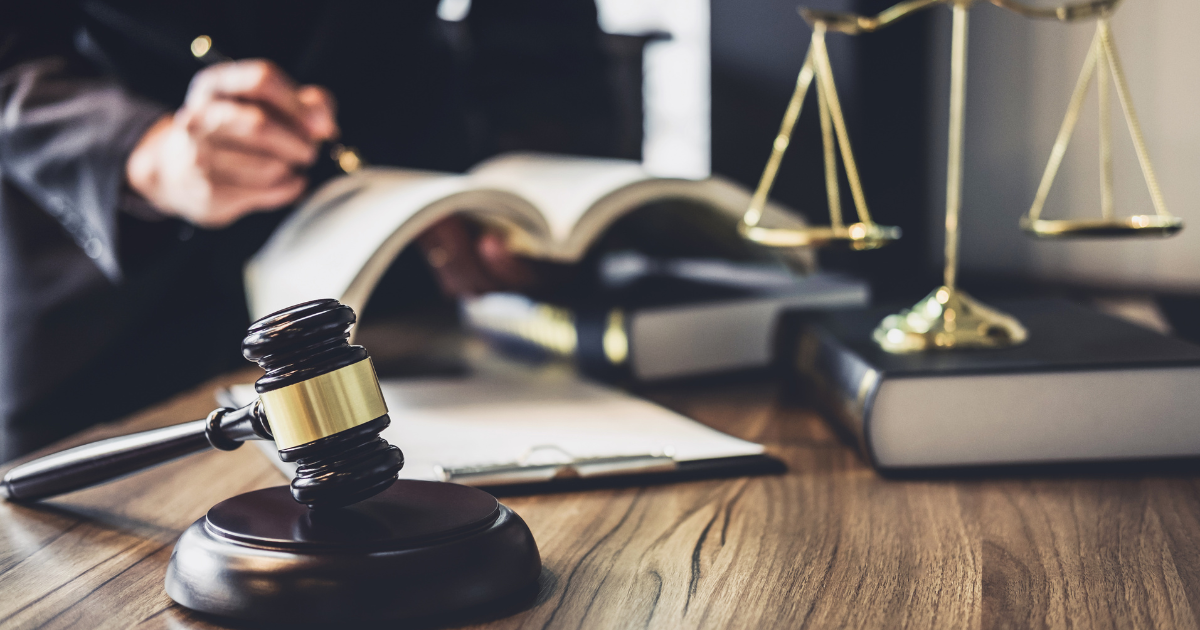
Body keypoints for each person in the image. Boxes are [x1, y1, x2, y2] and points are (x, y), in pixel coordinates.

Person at [0, 0, 618, 461]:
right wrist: (140, 152)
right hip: (108, 328)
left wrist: (519, 178)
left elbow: (540, 35)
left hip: (399, 299)